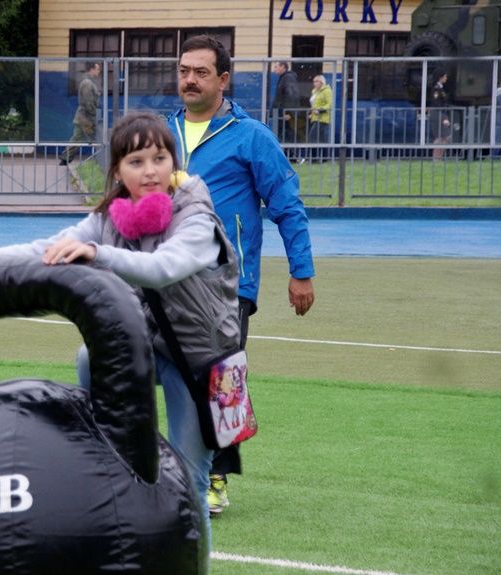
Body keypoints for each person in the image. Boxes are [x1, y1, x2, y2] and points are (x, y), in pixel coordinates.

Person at [0, 111, 240, 567]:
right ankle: (112, 443)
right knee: (88, 357)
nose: (150, 171)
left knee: (190, 484)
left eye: (159, 158)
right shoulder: (109, 219)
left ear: (173, 163)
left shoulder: (196, 216)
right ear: (117, 171)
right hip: (149, 348)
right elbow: (44, 249)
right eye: (136, 161)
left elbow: (163, 268)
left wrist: (99, 254)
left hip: (201, 363)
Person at [166, 35, 315, 516]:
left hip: (227, 285)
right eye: (184, 70)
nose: (190, 79)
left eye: (201, 72)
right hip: (165, 280)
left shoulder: (251, 136)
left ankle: (215, 477)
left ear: (223, 80)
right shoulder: (163, 133)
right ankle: (165, 466)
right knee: (165, 371)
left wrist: (301, 272)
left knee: (220, 379)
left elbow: (287, 206)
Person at [59, 61, 102, 166]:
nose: (99, 71)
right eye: (98, 69)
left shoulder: (87, 82)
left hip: (83, 116)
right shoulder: (87, 83)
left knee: (78, 138)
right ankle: (102, 161)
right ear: (92, 69)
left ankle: (65, 158)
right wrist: (94, 114)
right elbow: (88, 102)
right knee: (96, 138)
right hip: (86, 117)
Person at [271, 61, 302, 156]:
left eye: (276, 67)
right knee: (284, 133)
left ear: (283, 67)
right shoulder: (285, 78)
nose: (274, 69)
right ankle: (289, 155)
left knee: (287, 133)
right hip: (282, 112)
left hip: (285, 113)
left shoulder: (287, 78)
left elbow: (291, 95)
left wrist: (289, 112)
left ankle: (293, 155)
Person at [307, 75, 333, 162]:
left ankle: (320, 158)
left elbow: (329, 104)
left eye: (316, 81)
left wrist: (320, 110)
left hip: (323, 118)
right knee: (315, 138)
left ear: (322, 82)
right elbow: (314, 104)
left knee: (316, 138)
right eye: (314, 81)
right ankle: (315, 158)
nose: (314, 83)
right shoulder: (314, 91)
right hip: (314, 118)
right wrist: (311, 113)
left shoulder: (327, 91)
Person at [429, 72, 451, 161]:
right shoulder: (436, 88)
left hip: (442, 113)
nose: (446, 78)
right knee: (441, 136)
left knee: (445, 136)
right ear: (440, 77)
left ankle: (438, 157)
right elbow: (436, 103)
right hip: (438, 113)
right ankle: (436, 158)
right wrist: (443, 117)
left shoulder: (441, 88)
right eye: (445, 76)